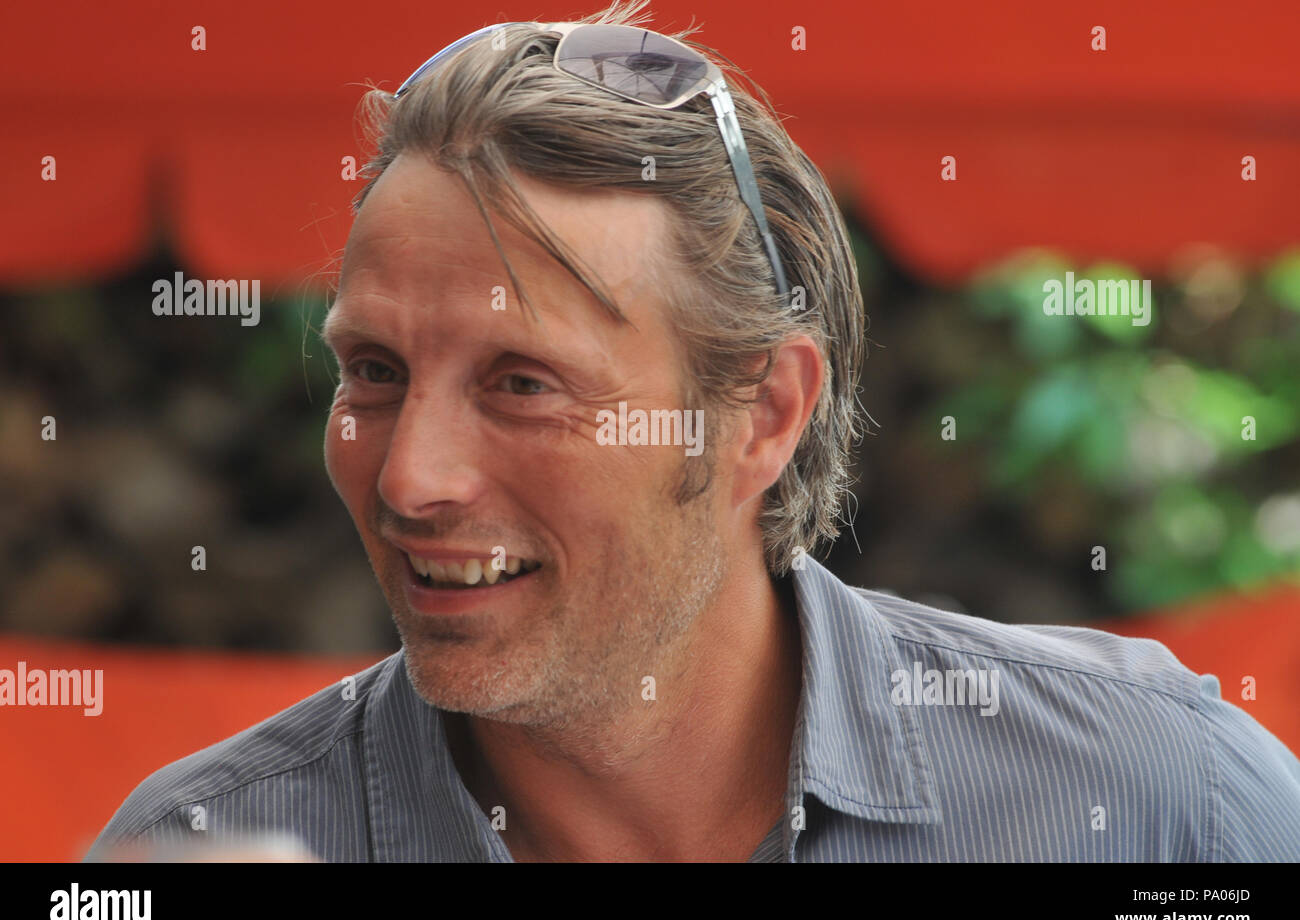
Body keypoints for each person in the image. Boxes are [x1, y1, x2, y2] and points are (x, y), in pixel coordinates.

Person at [89, 1, 1300, 862]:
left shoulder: (1156, 798)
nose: (411, 474)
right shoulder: (202, 848)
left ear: (763, 415)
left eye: (522, 382)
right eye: (374, 369)